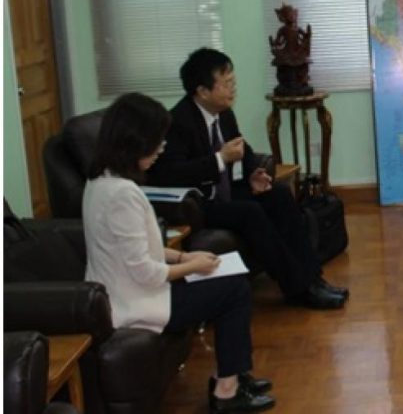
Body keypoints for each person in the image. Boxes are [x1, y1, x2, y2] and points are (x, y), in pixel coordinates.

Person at [83, 93, 275, 413]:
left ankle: (235, 375)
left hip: (130, 290)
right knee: (234, 290)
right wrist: (194, 267)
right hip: (135, 302)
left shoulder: (101, 180)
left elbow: (137, 249)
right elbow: (146, 272)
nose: (161, 149)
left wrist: (184, 257)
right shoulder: (121, 195)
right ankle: (227, 391)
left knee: (231, 282)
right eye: (156, 142)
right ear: (134, 142)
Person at [147, 48, 348, 310]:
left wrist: (254, 173)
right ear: (203, 91)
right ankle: (299, 288)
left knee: (279, 195)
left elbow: (244, 149)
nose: (233, 88)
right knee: (250, 212)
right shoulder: (178, 122)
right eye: (226, 83)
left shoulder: (223, 113)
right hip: (200, 204)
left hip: (226, 193)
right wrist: (220, 159)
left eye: (233, 81)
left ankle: (313, 278)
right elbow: (172, 173)